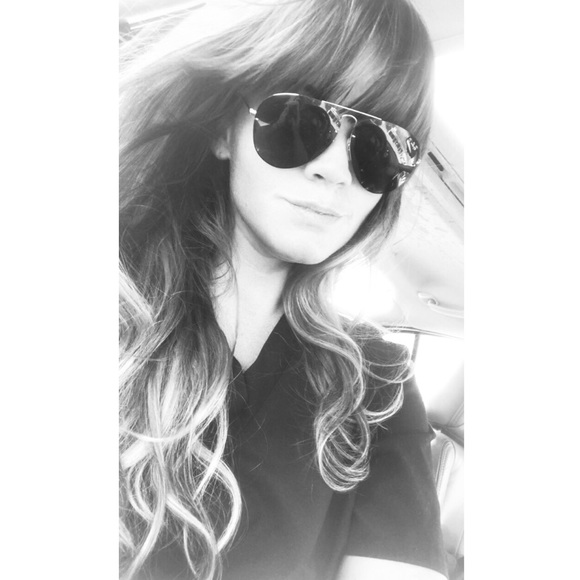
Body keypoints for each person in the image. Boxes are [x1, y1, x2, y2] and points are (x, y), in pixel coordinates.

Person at [119, 0, 447, 579]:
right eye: (299, 120)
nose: (335, 170)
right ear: (224, 130)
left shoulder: (378, 386)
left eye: (379, 146)